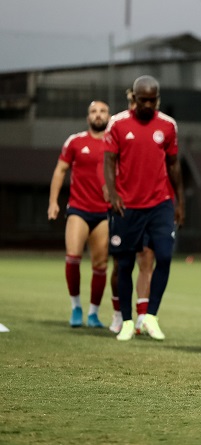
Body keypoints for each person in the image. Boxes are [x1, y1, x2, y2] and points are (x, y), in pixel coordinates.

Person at [104, 76, 185, 342]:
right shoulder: (117, 124)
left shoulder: (168, 126)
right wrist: (113, 194)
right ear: (134, 98)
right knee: (124, 263)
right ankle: (127, 321)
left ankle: (150, 316)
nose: (148, 104)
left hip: (160, 203)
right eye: (143, 100)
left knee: (164, 256)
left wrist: (180, 202)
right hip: (128, 206)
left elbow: (174, 165)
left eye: (152, 100)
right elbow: (109, 161)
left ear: (157, 99)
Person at [48, 100, 111, 328]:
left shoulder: (115, 143)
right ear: (87, 118)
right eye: (93, 111)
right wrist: (53, 202)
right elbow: (60, 170)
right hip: (79, 209)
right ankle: (76, 307)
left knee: (100, 264)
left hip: (104, 212)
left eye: (102, 111)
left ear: (109, 116)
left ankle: (93, 313)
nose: (98, 115)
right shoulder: (75, 141)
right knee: (73, 256)